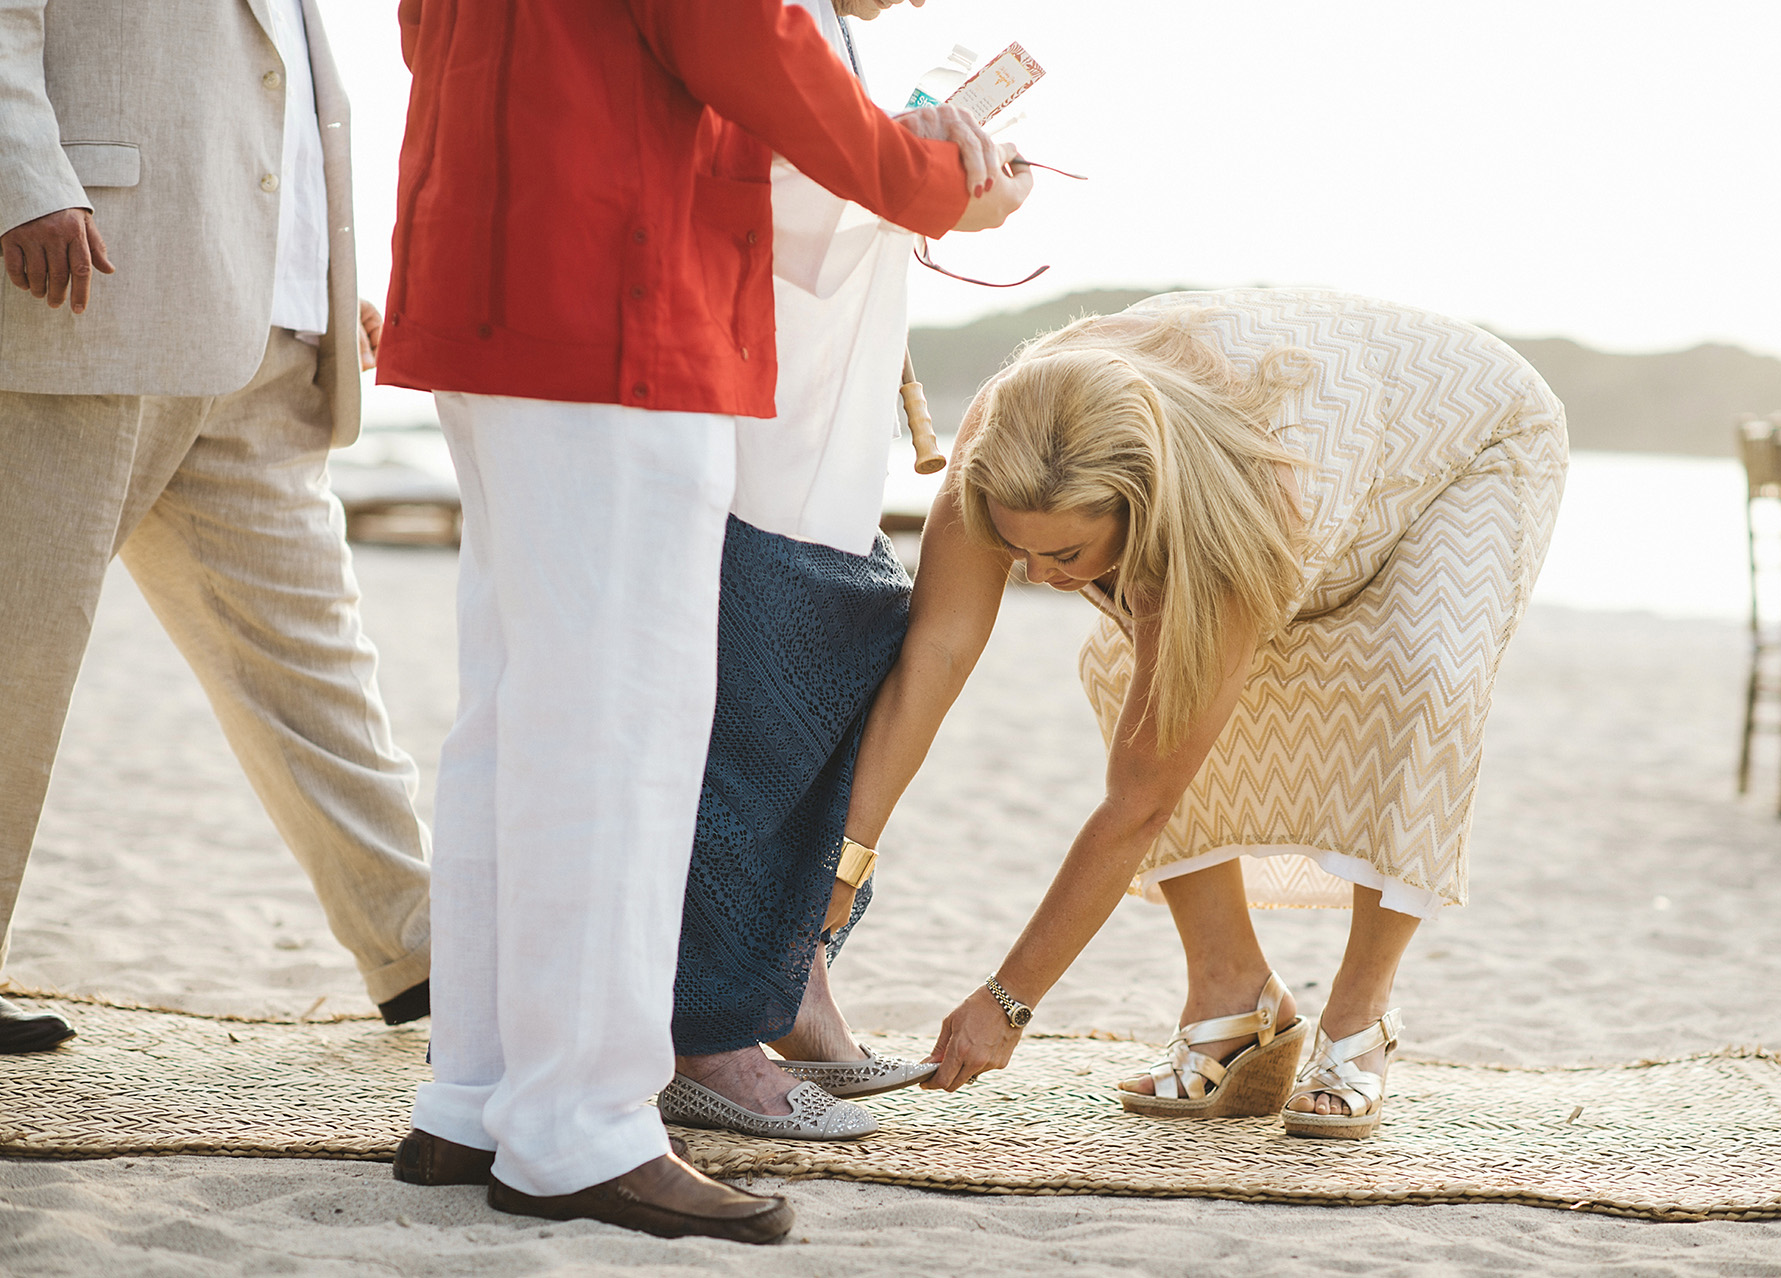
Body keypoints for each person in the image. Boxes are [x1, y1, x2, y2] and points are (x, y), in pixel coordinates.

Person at [377, 0, 1028, 1243]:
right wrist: (939, 176)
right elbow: (754, 43)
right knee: (622, 737)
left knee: (513, 718)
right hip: (620, 296)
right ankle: (580, 1128)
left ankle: (475, 1094)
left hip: (483, 276)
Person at [830, 288, 1567, 1139]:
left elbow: (1140, 800)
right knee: (1126, 672)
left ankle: (1358, 1017)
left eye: (1064, 553)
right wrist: (846, 861)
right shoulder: (1007, 437)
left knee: (1416, 678)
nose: (1034, 576)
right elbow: (938, 653)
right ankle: (1235, 996)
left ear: (1141, 501)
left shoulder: (1241, 504)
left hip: (1465, 430)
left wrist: (1009, 1002)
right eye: (1014, 548)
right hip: (1323, 427)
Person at [0, 0, 433, 1056]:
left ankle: (422, 950)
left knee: (313, 661)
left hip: (260, 329)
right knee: (13, 666)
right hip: (88, 296)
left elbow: (267, 89)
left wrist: (322, 282)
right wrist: (24, 181)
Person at [660, 0, 948, 1143]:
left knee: (823, 715)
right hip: (760, 417)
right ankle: (710, 1032)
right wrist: (944, 177)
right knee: (751, 738)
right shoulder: (771, 21)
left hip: (821, 427)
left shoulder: (831, 26)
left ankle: (790, 993)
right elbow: (802, 206)